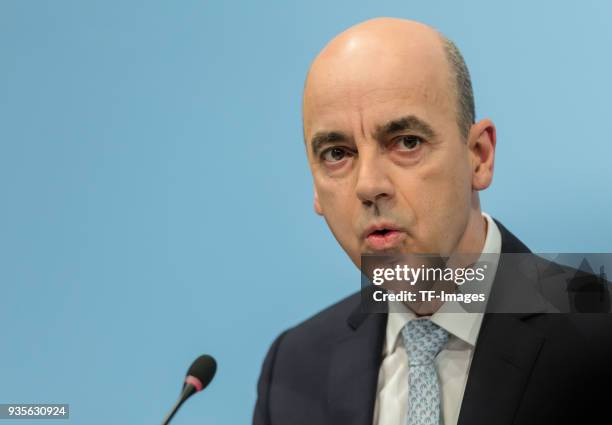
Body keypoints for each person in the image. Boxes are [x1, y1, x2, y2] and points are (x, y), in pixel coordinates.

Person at [253, 17, 611, 425]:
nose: (368, 185)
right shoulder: (294, 368)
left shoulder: (599, 332)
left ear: (479, 155)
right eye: (337, 153)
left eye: (407, 143)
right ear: (314, 186)